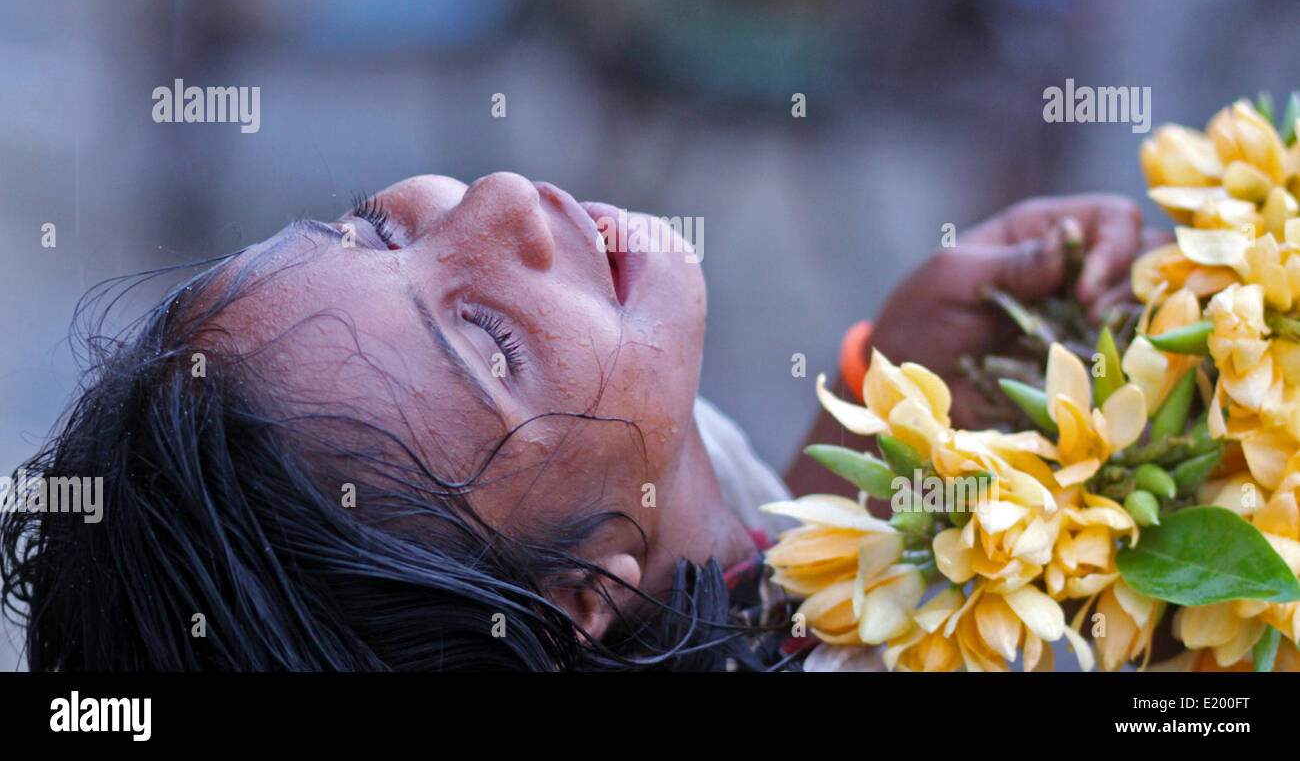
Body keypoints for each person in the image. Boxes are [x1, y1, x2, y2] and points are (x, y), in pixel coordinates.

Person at [0, 172, 1159, 670]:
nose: (498, 201)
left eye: (369, 231)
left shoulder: (657, 518)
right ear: (578, 601)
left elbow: (775, 602)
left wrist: (877, 434)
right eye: (488, 342)